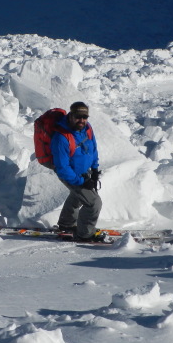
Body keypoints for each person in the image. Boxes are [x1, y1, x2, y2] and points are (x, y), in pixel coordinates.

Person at [51, 101, 103, 241]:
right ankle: (84, 234)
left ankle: (66, 224)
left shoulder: (87, 128)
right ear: (71, 116)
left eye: (84, 117)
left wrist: (95, 169)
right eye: (78, 117)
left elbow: (93, 148)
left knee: (77, 197)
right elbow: (62, 168)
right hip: (70, 174)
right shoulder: (61, 137)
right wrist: (81, 181)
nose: (81, 120)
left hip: (84, 172)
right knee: (93, 203)